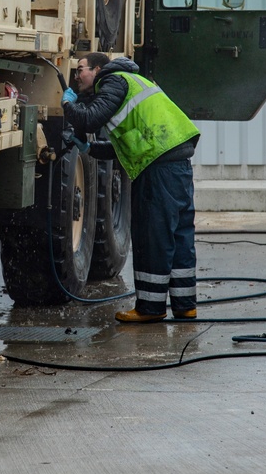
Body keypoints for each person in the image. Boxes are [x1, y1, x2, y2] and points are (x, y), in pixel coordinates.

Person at [61, 52, 200, 322]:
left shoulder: (112, 81)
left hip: (158, 165)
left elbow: (89, 119)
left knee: (153, 234)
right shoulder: (132, 80)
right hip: (175, 158)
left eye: (81, 70)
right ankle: (185, 305)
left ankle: (150, 308)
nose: (77, 77)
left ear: (98, 68)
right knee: (179, 234)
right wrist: (91, 148)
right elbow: (131, 141)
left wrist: (68, 105)